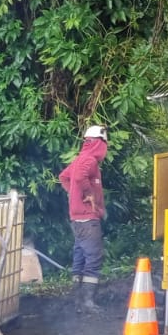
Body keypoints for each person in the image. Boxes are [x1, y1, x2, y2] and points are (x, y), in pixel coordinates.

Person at [59, 124, 108, 310]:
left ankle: (77, 299)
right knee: (93, 257)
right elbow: (79, 178)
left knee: (80, 255)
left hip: (77, 219)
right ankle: (88, 301)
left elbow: (64, 177)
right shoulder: (90, 161)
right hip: (88, 219)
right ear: (99, 143)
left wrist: (74, 195)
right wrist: (87, 193)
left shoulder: (80, 158)